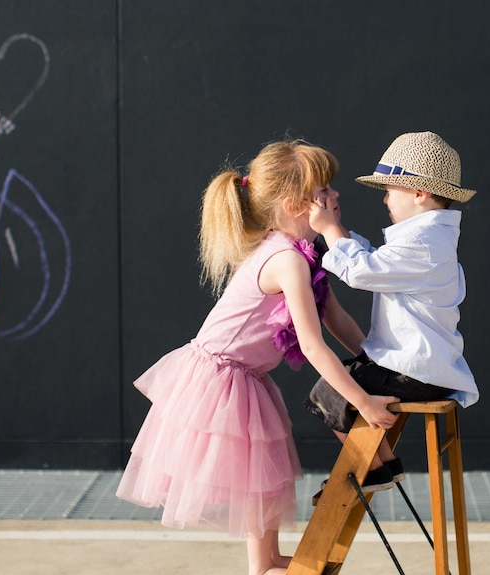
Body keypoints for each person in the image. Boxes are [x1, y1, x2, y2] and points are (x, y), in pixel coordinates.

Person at [116, 138, 400, 575]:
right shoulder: (286, 259)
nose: (335, 196)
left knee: (262, 478)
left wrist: (376, 360)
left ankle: (265, 562)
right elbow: (311, 343)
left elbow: (336, 319)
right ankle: (262, 565)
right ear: (294, 205)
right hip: (220, 377)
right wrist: (363, 402)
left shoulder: (304, 255)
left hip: (243, 376)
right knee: (258, 476)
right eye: (323, 191)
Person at [305, 131, 480, 494]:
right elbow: (374, 259)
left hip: (412, 369)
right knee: (345, 384)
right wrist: (335, 232)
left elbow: (361, 270)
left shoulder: (423, 243)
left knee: (329, 391)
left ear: (419, 193)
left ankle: (372, 468)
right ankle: (383, 465)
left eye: (390, 190)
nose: (385, 198)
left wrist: (328, 229)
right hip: (419, 365)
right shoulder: (427, 238)